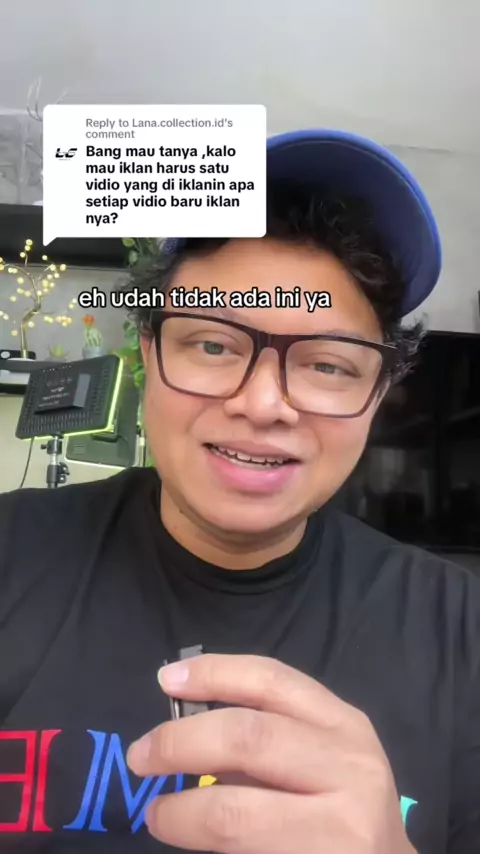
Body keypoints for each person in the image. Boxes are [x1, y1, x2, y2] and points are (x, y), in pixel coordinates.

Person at [0, 129, 478, 854]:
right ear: (149, 354)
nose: (262, 404)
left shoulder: (462, 635)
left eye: (327, 365)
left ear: (378, 396)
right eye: (214, 345)